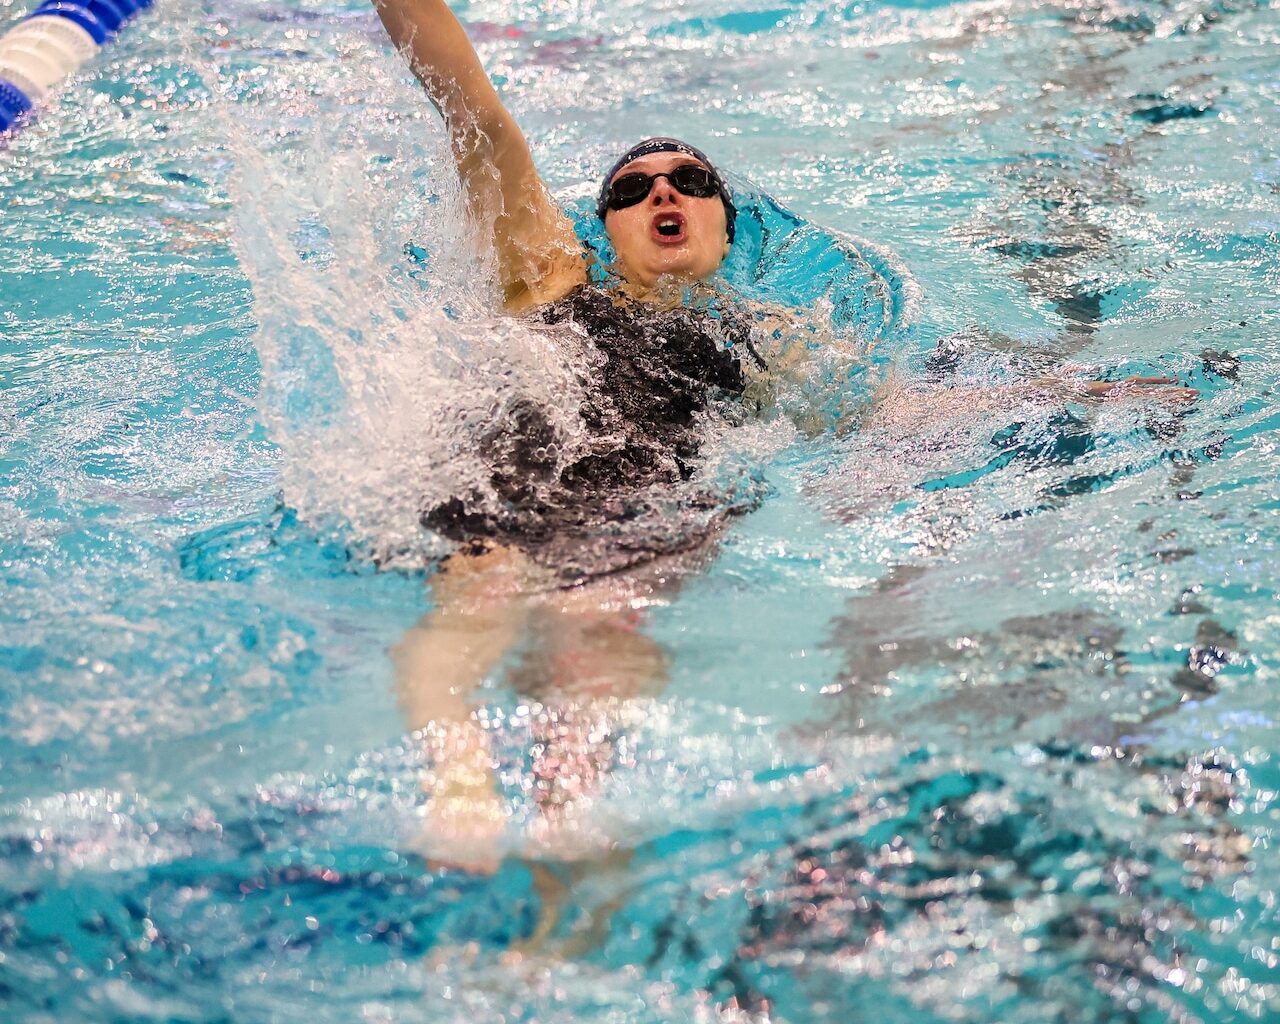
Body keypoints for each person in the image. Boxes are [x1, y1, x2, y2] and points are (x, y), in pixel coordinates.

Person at [372, 0, 1196, 875]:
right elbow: (476, 116)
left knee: (599, 640)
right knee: (482, 595)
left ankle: (564, 853)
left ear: (725, 226)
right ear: (605, 229)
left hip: (655, 523)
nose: (662, 193)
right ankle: (459, 786)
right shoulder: (548, 278)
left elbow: (885, 414)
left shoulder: (770, 342)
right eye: (632, 189)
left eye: (690, 181)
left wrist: (1087, 391)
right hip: (511, 492)